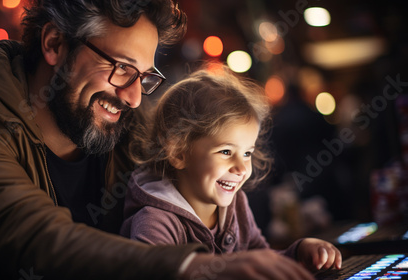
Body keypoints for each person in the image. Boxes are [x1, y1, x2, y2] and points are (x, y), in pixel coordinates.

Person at [0, 0, 318, 279]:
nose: (135, 96)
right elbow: (37, 238)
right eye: (121, 68)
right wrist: (188, 268)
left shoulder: (123, 126)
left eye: (144, 77)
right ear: (54, 44)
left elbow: (199, 176)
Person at [121, 65, 342, 273]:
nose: (241, 167)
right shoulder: (155, 220)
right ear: (179, 153)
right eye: (226, 152)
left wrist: (298, 253)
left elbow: (260, 261)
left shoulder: (238, 205)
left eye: (247, 153)